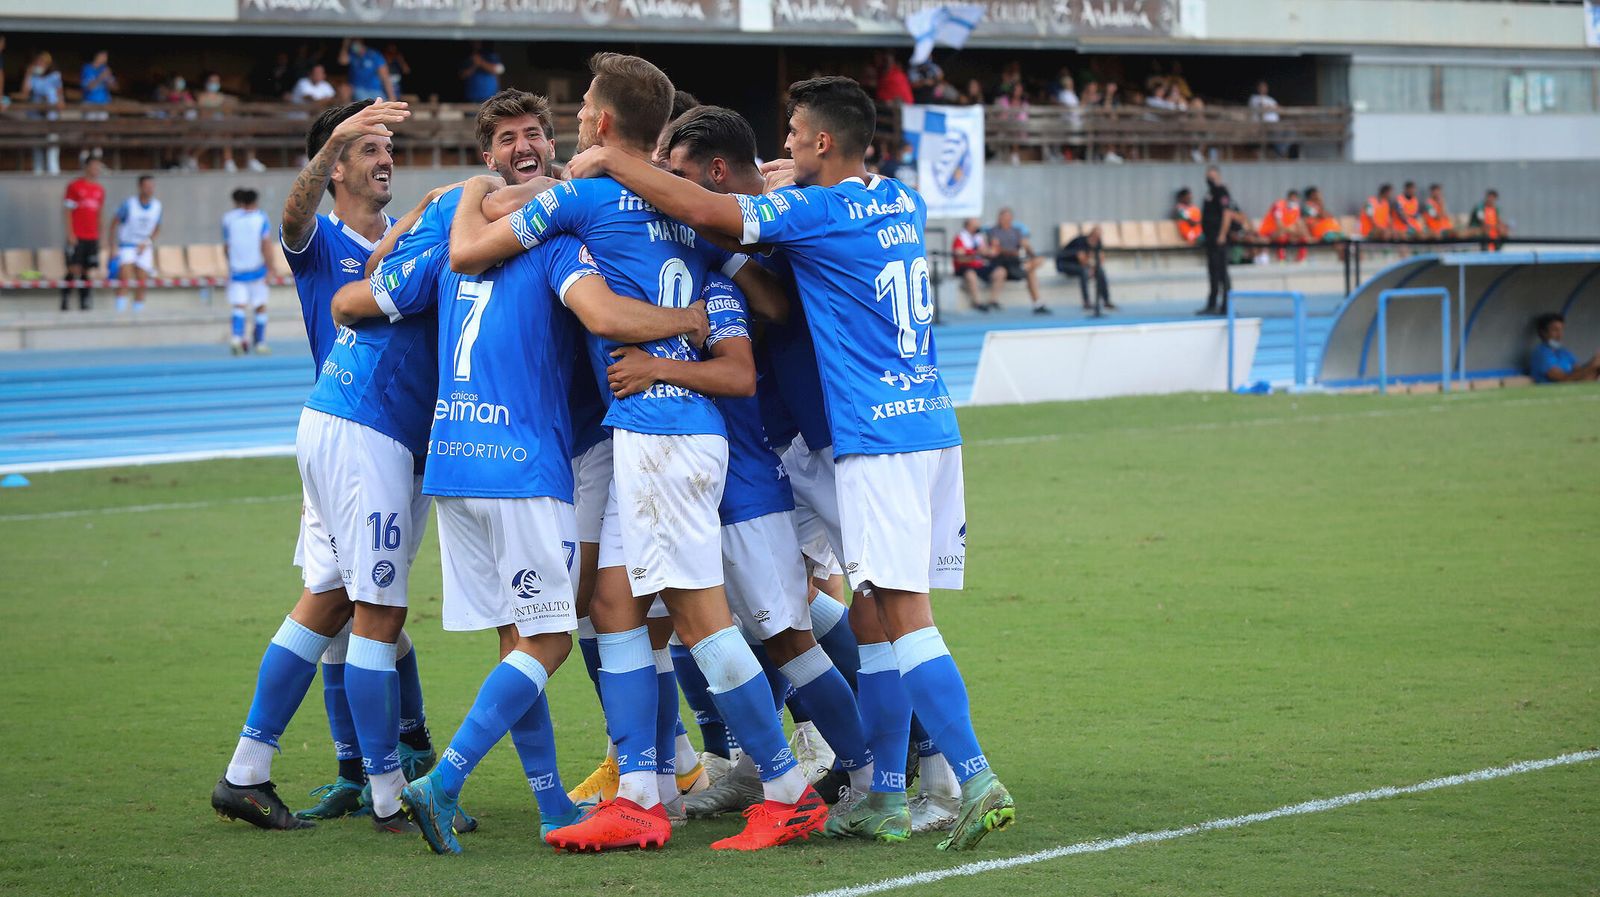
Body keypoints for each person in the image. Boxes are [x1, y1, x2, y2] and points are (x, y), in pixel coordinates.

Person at [565, 74, 1017, 852]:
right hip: (928, 423)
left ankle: (966, 775)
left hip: (867, 438)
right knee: (873, 615)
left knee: (900, 616)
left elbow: (718, 215)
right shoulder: (899, 200)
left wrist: (608, 157)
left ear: (820, 141)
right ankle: (886, 787)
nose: (782, 148)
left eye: (794, 135)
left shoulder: (811, 210)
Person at [449, 53, 822, 853]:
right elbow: (760, 292)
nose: (577, 115)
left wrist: (472, 192)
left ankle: (788, 787)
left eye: (584, 105)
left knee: (700, 621)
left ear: (601, 123)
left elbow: (469, 253)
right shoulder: (685, 206)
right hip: (653, 436)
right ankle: (643, 794)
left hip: (662, 431)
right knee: (613, 605)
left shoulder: (581, 200)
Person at [608, 105, 878, 827]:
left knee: (803, 626)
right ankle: (673, 773)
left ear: (714, 173)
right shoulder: (706, 243)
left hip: (784, 454)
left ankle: (872, 768)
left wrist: (661, 355)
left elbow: (768, 324)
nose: (664, 187)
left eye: (677, 173)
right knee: (698, 626)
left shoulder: (740, 242)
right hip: (731, 461)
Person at [210, 99, 448, 834]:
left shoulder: (405, 237)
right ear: (337, 163)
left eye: (386, 147)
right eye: (366, 148)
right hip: (361, 432)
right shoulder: (319, 240)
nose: (385, 157)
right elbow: (291, 216)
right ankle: (388, 785)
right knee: (375, 612)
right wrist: (337, 134)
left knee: (339, 605)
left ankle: (257, 769)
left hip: (380, 436)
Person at [222, 189, 272, 355]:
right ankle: (260, 342)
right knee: (260, 307)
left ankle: (237, 338)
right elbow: (265, 244)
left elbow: (226, 247)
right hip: (257, 270)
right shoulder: (261, 218)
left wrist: (231, 263)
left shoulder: (228, 219)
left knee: (239, 306)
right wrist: (270, 267)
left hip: (237, 271)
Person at [110, 176, 162, 313]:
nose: (150, 189)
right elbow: (114, 223)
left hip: (144, 246)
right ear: (140, 187)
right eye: (147, 186)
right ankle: (119, 313)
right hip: (127, 245)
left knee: (142, 282)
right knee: (125, 279)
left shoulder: (157, 206)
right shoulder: (129, 204)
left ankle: (137, 313)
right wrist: (112, 246)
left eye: (152, 186)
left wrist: (147, 242)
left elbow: (157, 227)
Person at [61, 158, 106, 312]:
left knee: (88, 269)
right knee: (74, 268)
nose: (96, 170)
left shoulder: (99, 190)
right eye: (94, 166)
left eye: (98, 167)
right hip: (78, 235)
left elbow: (99, 213)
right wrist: (70, 233)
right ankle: (65, 299)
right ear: (86, 167)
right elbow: (67, 211)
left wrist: (100, 234)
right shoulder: (74, 186)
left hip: (92, 236)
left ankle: (84, 302)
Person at [984, 208, 1049, 314]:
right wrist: (1013, 252)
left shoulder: (1016, 231)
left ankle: (1038, 303)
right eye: (1002, 217)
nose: (1004, 220)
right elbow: (996, 249)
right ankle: (992, 301)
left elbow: (1025, 245)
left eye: (1007, 217)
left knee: (1032, 269)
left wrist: (1032, 255)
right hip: (1001, 262)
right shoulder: (994, 231)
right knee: (1000, 272)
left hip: (1014, 263)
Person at [1199, 166, 1244, 315]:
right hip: (1210, 238)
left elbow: (1227, 213)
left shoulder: (1222, 192)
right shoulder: (1209, 193)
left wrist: (1222, 234)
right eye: (1208, 176)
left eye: (1212, 177)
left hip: (1219, 239)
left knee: (1222, 272)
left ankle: (1227, 305)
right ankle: (1212, 304)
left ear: (1218, 177)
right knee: (1212, 272)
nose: (1210, 180)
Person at [21, 51, 64, 174]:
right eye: (38, 62)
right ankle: (38, 170)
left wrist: (59, 104)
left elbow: (60, 95)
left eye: (43, 63)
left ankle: (53, 170)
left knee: (52, 142)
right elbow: (25, 93)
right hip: (36, 114)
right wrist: (28, 74)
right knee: (37, 143)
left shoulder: (55, 75)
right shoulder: (33, 77)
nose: (40, 65)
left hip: (51, 114)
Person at [1056, 225, 1113, 314]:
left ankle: (1106, 301)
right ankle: (1086, 301)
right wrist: (1091, 268)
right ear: (1092, 235)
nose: (1098, 238)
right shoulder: (1080, 241)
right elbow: (1082, 260)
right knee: (1084, 272)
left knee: (1100, 271)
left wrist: (1094, 269)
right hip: (1065, 264)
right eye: (1096, 236)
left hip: (1081, 265)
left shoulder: (1098, 242)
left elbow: (1100, 258)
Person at [1528, 313, 1600, 383]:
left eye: (1561, 330)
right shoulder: (1541, 353)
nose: (1560, 335)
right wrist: (1592, 365)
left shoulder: (1564, 352)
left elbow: (1579, 372)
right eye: (1555, 330)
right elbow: (1563, 379)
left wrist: (1595, 364)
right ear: (1543, 332)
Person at [952, 218, 999, 312]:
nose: (978, 227)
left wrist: (990, 250)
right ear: (968, 226)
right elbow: (960, 257)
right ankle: (977, 302)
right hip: (965, 266)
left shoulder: (979, 237)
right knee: (971, 274)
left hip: (979, 265)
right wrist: (976, 253)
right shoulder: (960, 238)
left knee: (1000, 272)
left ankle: (993, 300)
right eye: (975, 225)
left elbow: (988, 252)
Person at [1259, 189, 1310, 263]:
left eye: (1295, 200)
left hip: (1285, 231)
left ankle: (1300, 260)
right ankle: (1281, 260)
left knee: (1303, 237)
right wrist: (1294, 232)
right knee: (1282, 235)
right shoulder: (1278, 205)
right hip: (1268, 231)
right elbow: (1279, 225)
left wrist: (1304, 233)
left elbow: (1299, 223)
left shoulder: (1296, 208)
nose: (1293, 202)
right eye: (1292, 199)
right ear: (1288, 198)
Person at [339, 38, 395, 103]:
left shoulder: (374, 55)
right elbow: (342, 61)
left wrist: (392, 97)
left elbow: (385, 77)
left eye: (355, 42)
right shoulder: (352, 54)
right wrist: (345, 45)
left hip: (375, 89)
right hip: (358, 89)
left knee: (382, 106)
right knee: (366, 105)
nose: (354, 45)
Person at [79, 50, 115, 118]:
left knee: (102, 127)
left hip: (104, 103)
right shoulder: (87, 68)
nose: (105, 59)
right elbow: (89, 87)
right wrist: (101, 77)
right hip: (90, 102)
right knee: (89, 127)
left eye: (106, 56)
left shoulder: (105, 69)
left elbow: (114, 87)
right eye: (103, 56)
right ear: (97, 56)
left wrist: (109, 79)